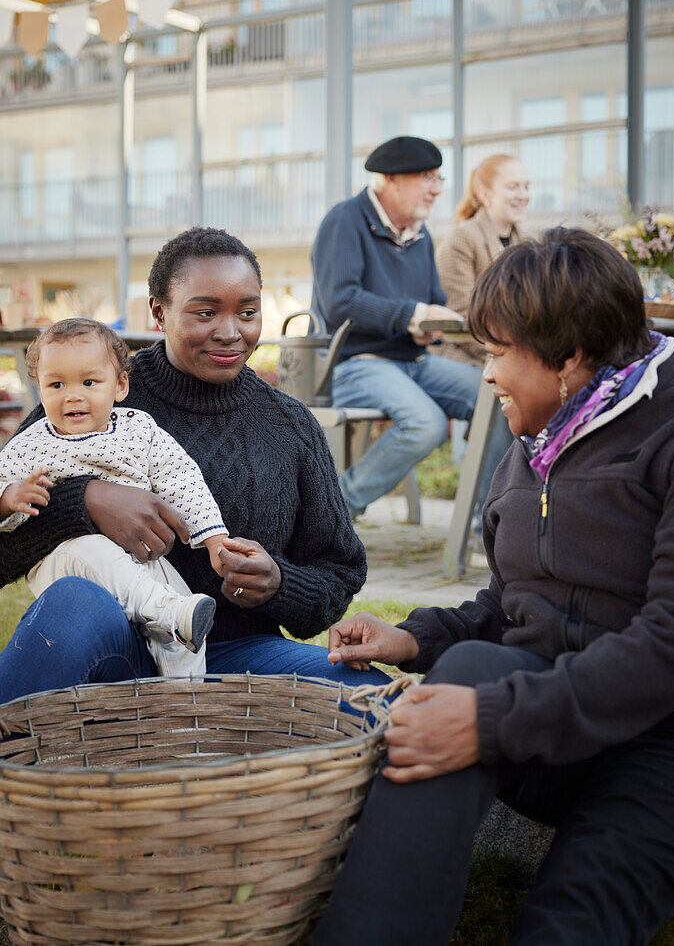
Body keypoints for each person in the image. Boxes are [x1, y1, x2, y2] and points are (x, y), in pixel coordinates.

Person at [312, 227, 674, 946]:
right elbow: (511, 607)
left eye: (498, 353)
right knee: (468, 668)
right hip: (565, 724)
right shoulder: (534, 448)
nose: (487, 375)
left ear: (570, 357)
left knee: (567, 921)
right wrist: (414, 636)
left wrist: (487, 721)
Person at [0, 227, 390, 706]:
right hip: (114, 652)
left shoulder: (291, 428)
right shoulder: (84, 394)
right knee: (74, 602)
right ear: (159, 313)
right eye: (205, 312)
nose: (230, 331)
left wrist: (279, 584)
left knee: (374, 695)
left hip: (238, 656)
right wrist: (81, 502)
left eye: (248, 312)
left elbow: (340, 570)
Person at [0, 318, 227, 677]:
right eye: (56, 384)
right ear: (39, 388)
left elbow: (180, 478)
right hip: (68, 562)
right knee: (94, 550)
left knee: (185, 627)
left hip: (140, 559)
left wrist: (215, 540)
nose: (72, 395)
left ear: (120, 385)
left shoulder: (139, 429)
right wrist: (8, 496)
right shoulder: (31, 443)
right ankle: (164, 613)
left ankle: (185, 710)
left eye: (89, 382)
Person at [310, 136, 484, 518]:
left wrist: (427, 325)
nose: (438, 189)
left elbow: (432, 299)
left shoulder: (421, 235)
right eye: (427, 177)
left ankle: (486, 521)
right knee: (426, 424)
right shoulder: (345, 221)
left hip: (413, 362)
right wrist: (411, 315)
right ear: (390, 179)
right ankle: (332, 510)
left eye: (439, 178)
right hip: (353, 362)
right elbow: (341, 303)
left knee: (497, 397)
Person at [432, 154, 529, 490]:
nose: (523, 194)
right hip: (461, 353)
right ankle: (487, 520)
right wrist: (511, 353)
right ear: (486, 194)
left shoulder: (526, 242)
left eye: (526, 186)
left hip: (507, 354)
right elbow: (458, 317)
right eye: (513, 186)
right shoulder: (463, 238)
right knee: (507, 391)